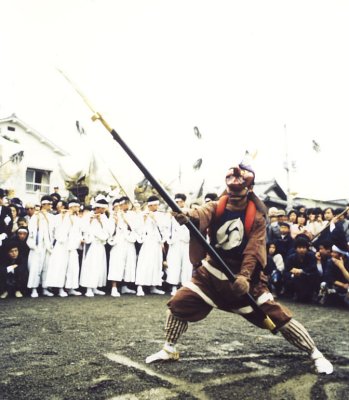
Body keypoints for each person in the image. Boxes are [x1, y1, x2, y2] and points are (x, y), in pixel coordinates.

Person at [145, 162, 333, 375]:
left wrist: (244, 276)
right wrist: (187, 215)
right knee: (179, 302)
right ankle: (169, 349)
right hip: (212, 273)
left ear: (249, 190)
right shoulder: (218, 205)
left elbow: (253, 249)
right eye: (231, 191)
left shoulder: (258, 218)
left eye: (240, 191)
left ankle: (316, 353)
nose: (234, 196)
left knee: (277, 317)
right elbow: (200, 213)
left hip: (244, 281)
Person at [45, 199, 83, 297]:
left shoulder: (77, 219)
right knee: (60, 267)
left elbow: (78, 232)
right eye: (76, 207)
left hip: (72, 246)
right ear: (70, 207)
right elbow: (56, 232)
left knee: (73, 267)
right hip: (62, 245)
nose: (77, 208)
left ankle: (70, 288)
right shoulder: (58, 217)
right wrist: (64, 218)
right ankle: (60, 289)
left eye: (78, 207)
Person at [135, 195, 168, 296]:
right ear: (150, 205)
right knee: (144, 264)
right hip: (147, 243)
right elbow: (137, 229)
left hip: (157, 243)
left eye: (157, 205)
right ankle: (139, 287)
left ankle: (154, 286)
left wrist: (155, 220)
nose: (157, 207)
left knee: (156, 264)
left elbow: (164, 228)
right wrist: (144, 220)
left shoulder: (161, 215)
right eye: (155, 205)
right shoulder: (142, 215)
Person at [80, 195, 111, 297]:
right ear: (98, 208)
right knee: (90, 266)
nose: (104, 210)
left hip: (100, 244)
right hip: (91, 244)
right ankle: (89, 288)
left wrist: (100, 221)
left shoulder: (104, 217)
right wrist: (90, 220)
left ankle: (95, 287)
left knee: (99, 266)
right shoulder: (88, 215)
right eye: (102, 208)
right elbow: (83, 229)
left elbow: (108, 231)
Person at [108, 196, 138, 297]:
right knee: (116, 264)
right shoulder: (114, 215)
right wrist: (116, 223)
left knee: (128, 264)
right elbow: (110, 231)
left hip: (129, 242)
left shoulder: (133, 215)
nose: (122, 206)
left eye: (124, 204)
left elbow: (135, 228)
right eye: (120, 204)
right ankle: (114, 287)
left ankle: (125, 286)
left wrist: (126, 221)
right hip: (118, 242)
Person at [27, 195, 55, 298]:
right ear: (44, 204)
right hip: (38, 245)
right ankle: (34, 289)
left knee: (46, 267)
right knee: (35, 267)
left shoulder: (52, 216)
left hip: (48, 246)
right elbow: (32, 231)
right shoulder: (36, 216)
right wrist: (35, 245)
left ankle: (45, 288)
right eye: (50, 204)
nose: (51, 206)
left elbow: (53, 231)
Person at [165, 193, 193, 296]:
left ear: (184, 202)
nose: (177, 203)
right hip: (175, 242)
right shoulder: (171, 214)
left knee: (186, 265)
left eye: (180, 202)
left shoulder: (189, 212)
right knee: (174, 264)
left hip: (186, 242)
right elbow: (167, 228)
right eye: (176, 202)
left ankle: (185, 287)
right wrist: (170, 239)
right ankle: (174, 287)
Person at [0, 188, 13, 259]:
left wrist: (4, 234)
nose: (2, 200)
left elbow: (10, 225)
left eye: (2, 198)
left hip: (3, 239)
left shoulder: (7, 210)